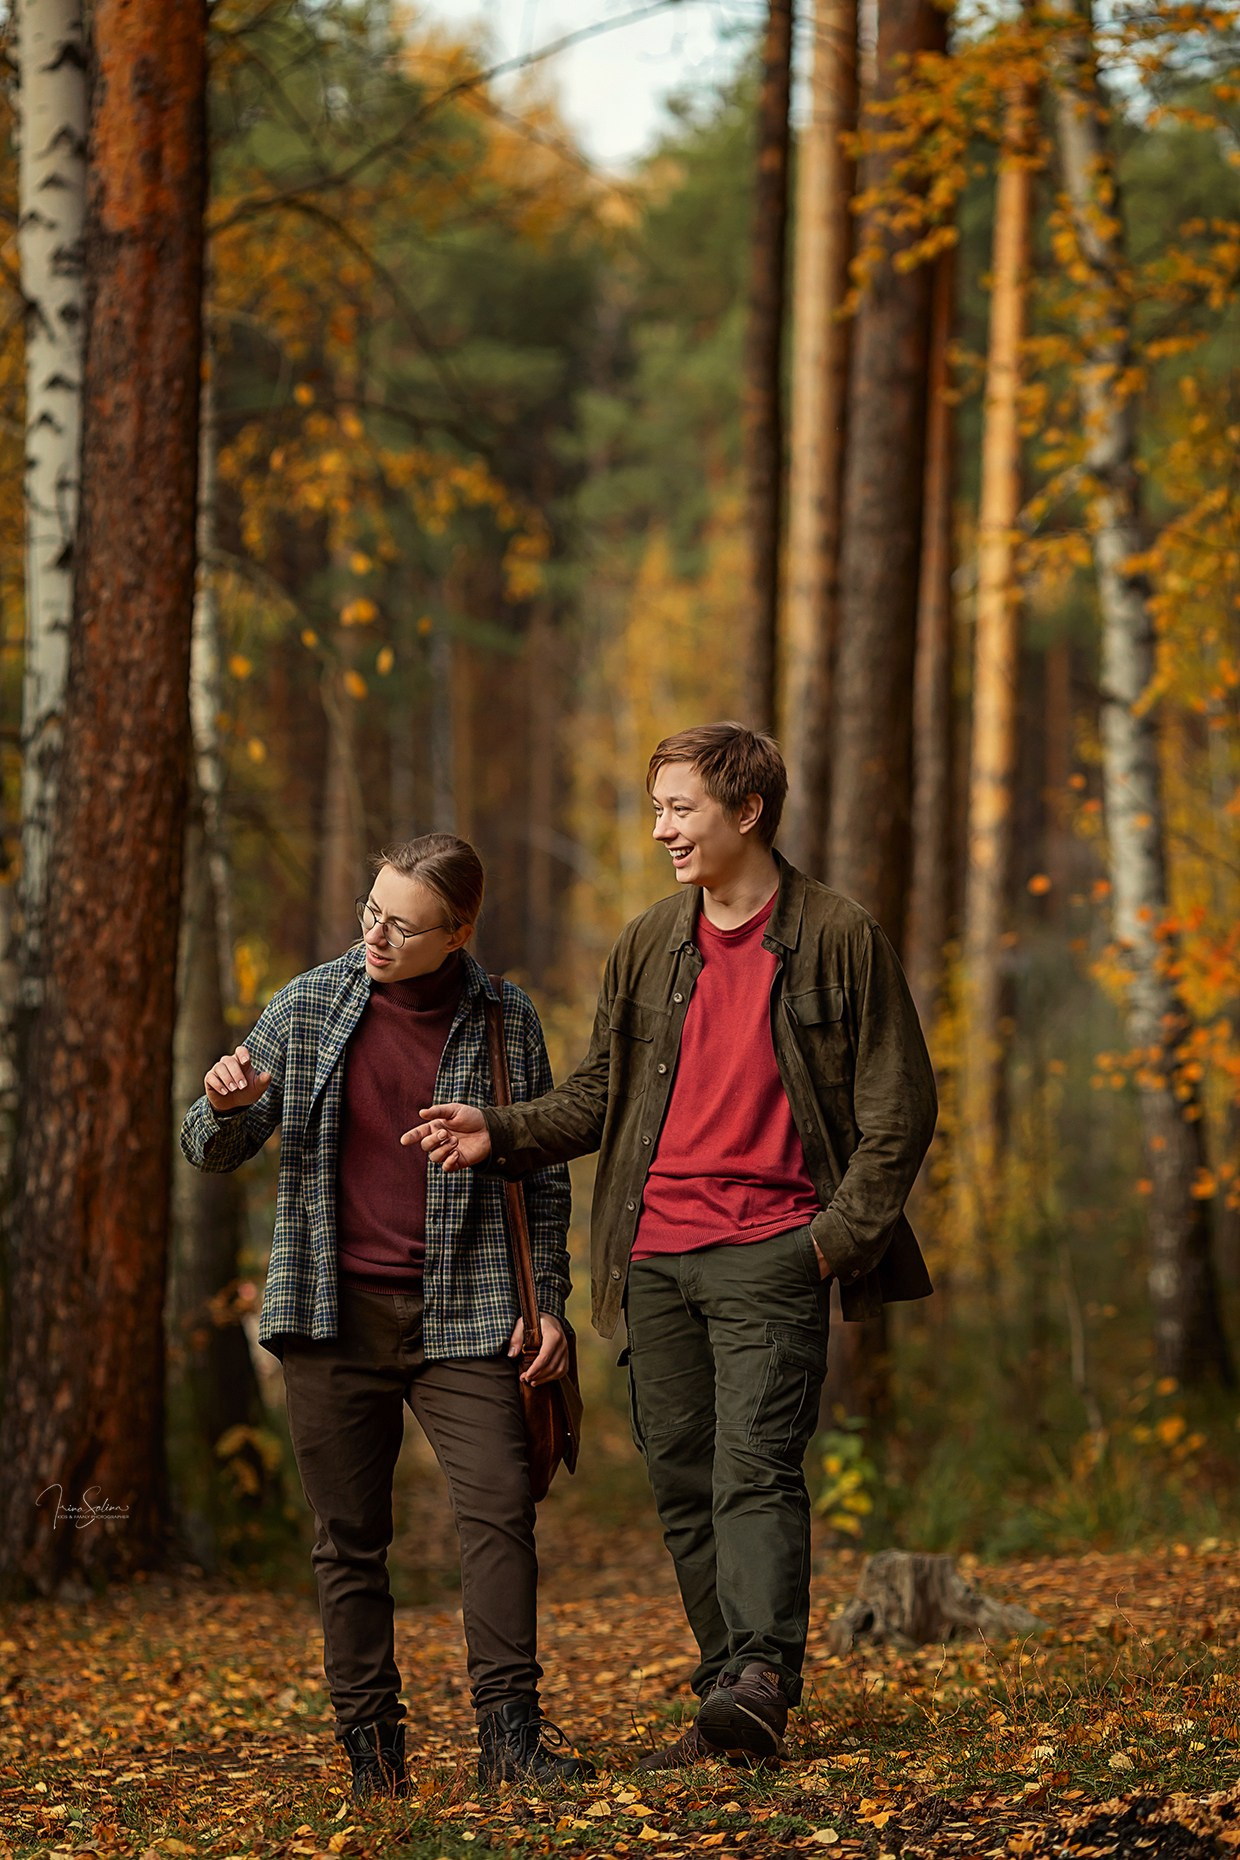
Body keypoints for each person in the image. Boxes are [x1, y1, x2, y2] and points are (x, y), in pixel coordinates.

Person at [405, 724, 938, 1768]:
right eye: (658, 809)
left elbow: (900, 1110)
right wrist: (496, 1130)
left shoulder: (838, 936)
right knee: (683, 1478)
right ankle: (728, 1695)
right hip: (652, 1257)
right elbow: (600, 1095)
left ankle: (762, 1677)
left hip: (774, 1249)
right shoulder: (651, 942)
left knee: (754, 1468)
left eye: (680, 809)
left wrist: (827, 1245)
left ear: (747, 811)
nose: (661, 830)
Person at [179, 832, 592, 1801]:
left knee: (499, 1511)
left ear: (457, 933)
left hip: (471, 1312)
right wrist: (226, 1105)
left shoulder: (506, 1020)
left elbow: (541, 1175)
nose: (376, 934)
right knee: (349, 1541)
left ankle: (510, 1739)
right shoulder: (310, 1003)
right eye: (372, 911)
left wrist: (550, 1306)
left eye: (403, 925)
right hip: (332, 1316)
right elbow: (208, 1147)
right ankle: (373, 1756)